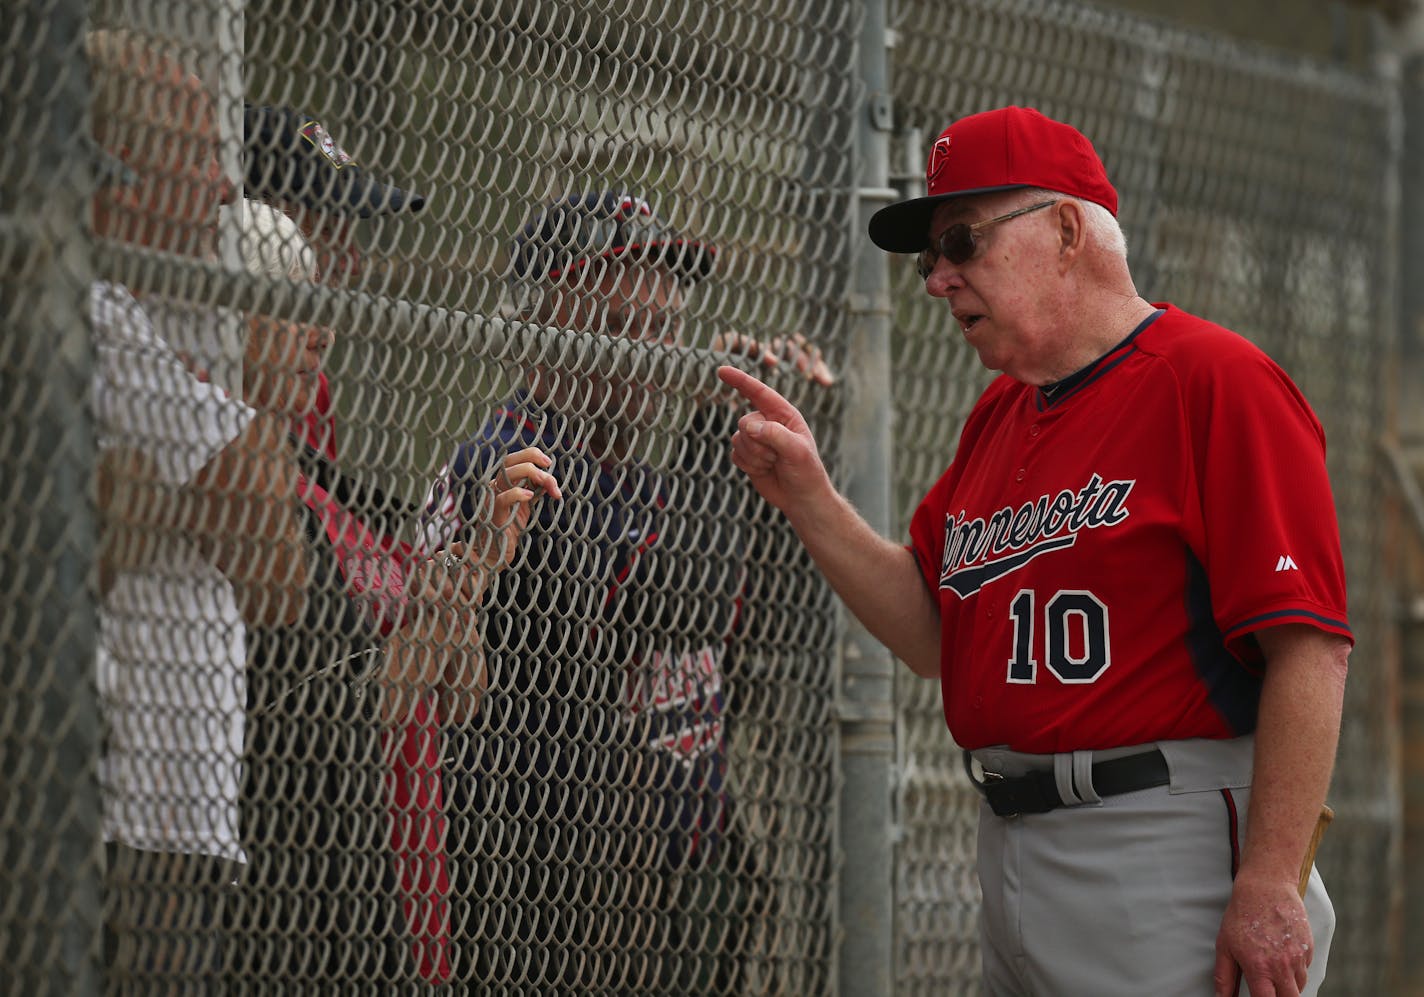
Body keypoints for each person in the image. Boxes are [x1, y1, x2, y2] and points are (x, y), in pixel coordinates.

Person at [717, 105, 1352, 997]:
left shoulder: (1215, 380)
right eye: (928, 256)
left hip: (1163, 842)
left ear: (1064, 229)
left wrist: (1271, 878)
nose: (938, 278)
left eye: (961, 240)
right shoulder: (1002, 412)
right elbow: (935, 637)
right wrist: (808, 498)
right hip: (1012, 843)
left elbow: (1311, 648)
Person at [420, 190, 832, 991]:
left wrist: (799, 444)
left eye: (661, 332)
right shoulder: (513, 460)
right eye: (619, 329)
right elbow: (673, 605)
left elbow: (770, 628)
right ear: (538, 330)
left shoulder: (643, 477)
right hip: (554, 889)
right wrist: (722, 444)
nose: (651, 355)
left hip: (679, 871)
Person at [219, 196, 549, 990]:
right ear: (227, 321)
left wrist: (471, 572)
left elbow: (461, 693)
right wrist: (440, 613)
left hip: (403, 883)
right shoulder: (256, 511)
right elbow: (346, 724)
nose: (322, 331)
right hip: (313, 901)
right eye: (293, 308)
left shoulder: (329, 493)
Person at [85, 28, 308, 991]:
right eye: (196, 153)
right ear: (117, 175)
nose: (226, 188)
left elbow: (271, 572)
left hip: (172, 822)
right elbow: (274, 567)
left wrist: (161, 493)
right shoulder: (99, 313)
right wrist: (238, 393)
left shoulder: (162, 316)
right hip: (113, 817)